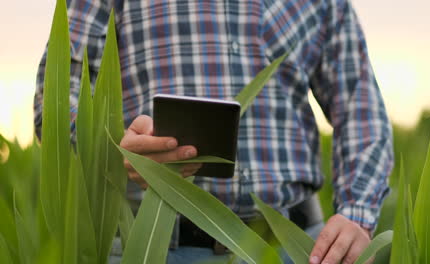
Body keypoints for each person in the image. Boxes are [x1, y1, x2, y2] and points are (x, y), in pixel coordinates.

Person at [34, 0, 394, 263]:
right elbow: (53, 98)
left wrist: (357, 216)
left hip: (299, 248)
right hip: (152, 247)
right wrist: (116, 146)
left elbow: (359, 107)